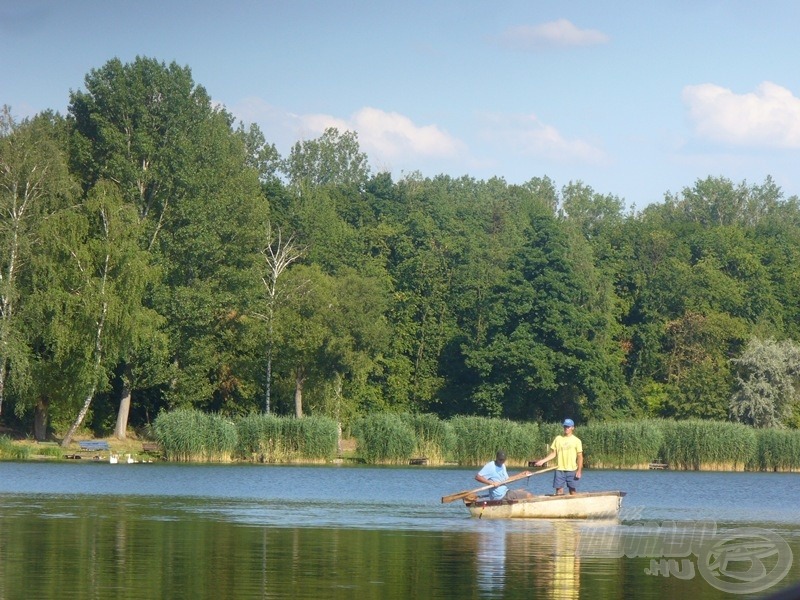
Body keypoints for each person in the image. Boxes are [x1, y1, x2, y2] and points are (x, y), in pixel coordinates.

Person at [533, 419, 583, 495]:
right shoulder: (558, 439)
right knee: (559, 491)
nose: (566, 428)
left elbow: (580, 457)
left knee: (572, 491)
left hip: (572, 470)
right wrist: (543, 461)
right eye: (565, 426)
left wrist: (579, 470)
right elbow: (553, 454)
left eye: (568, 427)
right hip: (560, 470)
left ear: (572, 428)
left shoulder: (577, 440)